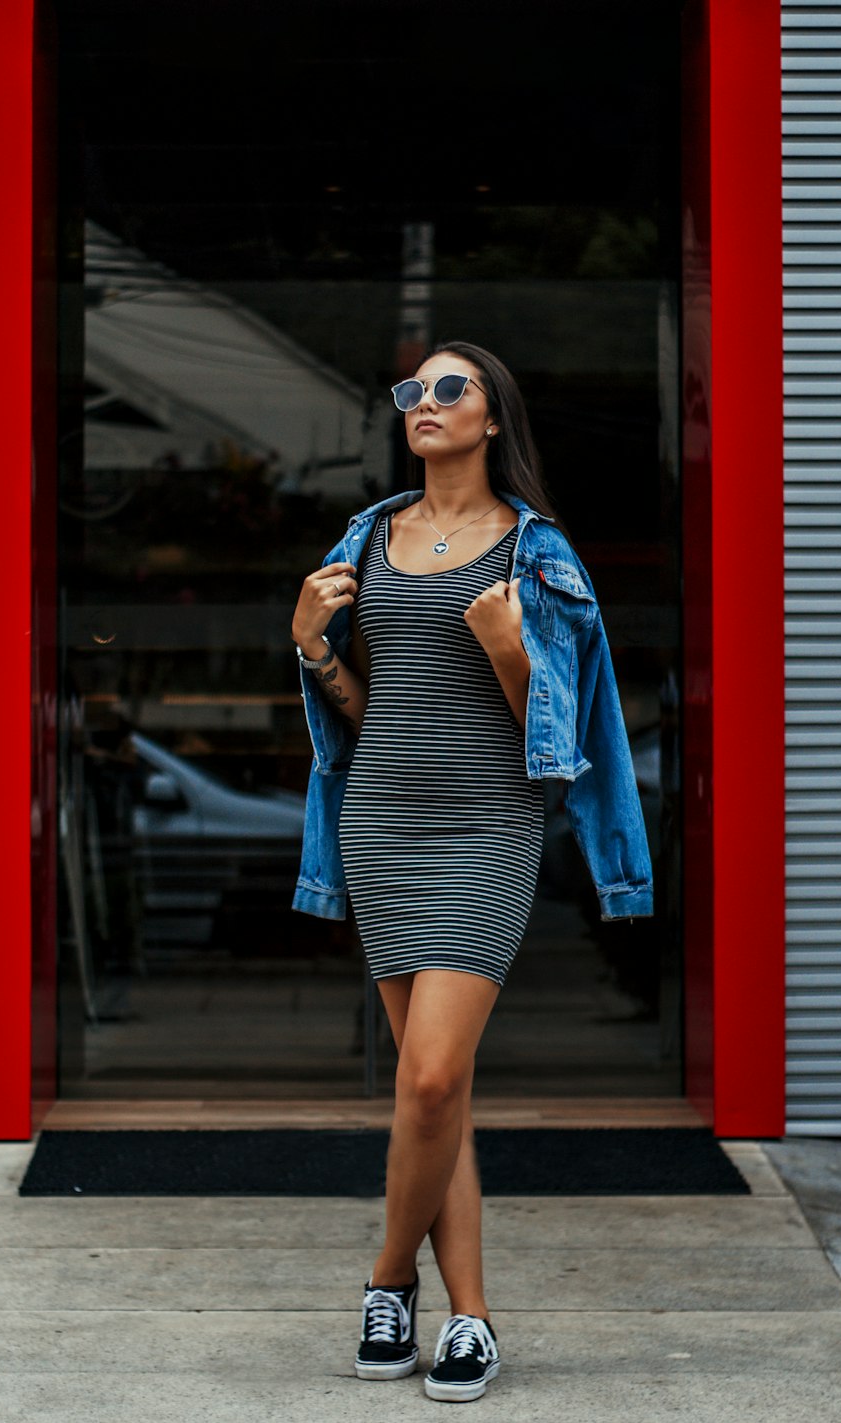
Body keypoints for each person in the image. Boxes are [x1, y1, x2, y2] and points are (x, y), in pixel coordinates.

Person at [290, 341, 653, 1403]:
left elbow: (560, 737)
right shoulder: (365, 540)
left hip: (486, 829)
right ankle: (472, 1322)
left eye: (452, 388)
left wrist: (506, 648)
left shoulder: (535, 552)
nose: (427, 403)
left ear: (494, 417)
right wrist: (312, 645)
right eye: (412, 391)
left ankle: (386, 1279)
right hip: (381, 824)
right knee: (427, 1094)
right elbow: (365, 714)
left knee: (435, 1078)